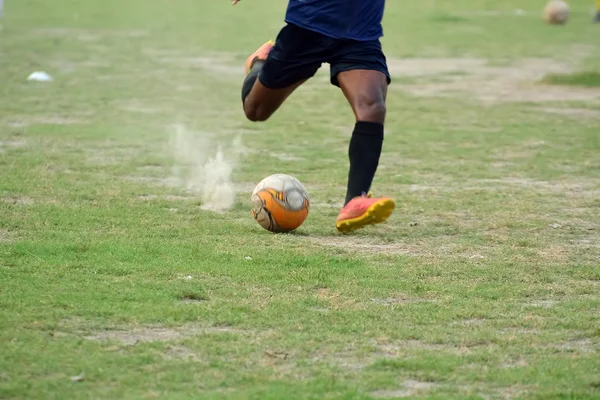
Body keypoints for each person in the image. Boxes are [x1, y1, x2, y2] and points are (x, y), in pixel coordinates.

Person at [233, 0, 396, 234]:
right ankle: (260, 63)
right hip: (308, 27)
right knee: (256, 110)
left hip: (359, 33)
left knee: (373, 108)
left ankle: (354, 202)